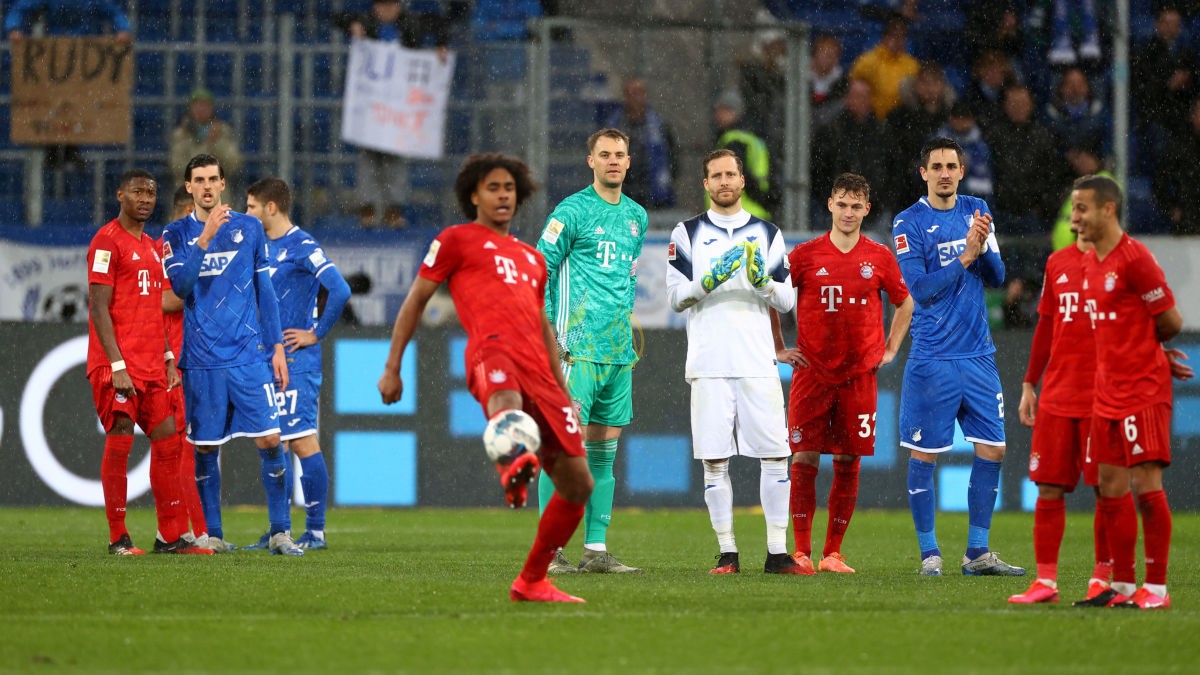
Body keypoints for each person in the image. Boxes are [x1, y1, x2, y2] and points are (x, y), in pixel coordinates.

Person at [377, 153, 595, 603]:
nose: (503, 196)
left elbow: (544, 326)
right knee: (506, 404)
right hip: (492, 349)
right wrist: (392, 367)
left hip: (541, 370)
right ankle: (511, 464)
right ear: (474, 195)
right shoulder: (455, 241)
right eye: (493, 187)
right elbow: (416, 300)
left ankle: (532, 580)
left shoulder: (533, 259)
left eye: (509, 188)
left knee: (579, 484)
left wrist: (563, 389)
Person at [666, 148, 804, 575]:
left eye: (731, 174)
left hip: (757, 360)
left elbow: (787, 299)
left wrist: (763, 283)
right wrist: (708, 281)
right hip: (709, 362)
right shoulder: (686, 232)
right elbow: (674, 298)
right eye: (717, 175)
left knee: (776, 455)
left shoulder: (767, 232)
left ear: (743, 181)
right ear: (706, 183)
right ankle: (728, 553)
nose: (725, 181)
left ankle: (777, 553)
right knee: (715, 460)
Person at [892, 136, 1024, 577]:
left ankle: (977, 553)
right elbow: (921, 290)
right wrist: (966, 254)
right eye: (937, 166)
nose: (945, 173)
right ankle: (930, 554)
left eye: (952, 166)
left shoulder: (976, 210)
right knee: (925, 455)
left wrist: (982, 247)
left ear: (962, 171)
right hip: (933, 357)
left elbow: (998, 277)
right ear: (923, 173)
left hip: (979, 355)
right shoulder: (908, 222)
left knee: (993, 449)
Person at [161, 153, 301, 557]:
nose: (206, 186)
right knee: (205, 448)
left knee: (271, 438)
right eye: (199, 180)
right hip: (202, 359)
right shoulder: (174, 234)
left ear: (223, 184)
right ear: (189, 187)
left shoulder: (250, 228)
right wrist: (204, 239)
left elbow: (264, 290)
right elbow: (181, 287)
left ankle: (280, 532)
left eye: (213, 179)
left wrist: (276, 346)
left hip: (248, 355)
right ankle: (214, 535)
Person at [786, 172, 913, 574]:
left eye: (856, 206)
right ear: (829, 205)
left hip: (858, 376)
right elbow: (772, 297)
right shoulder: (804, 255)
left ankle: (833, 554)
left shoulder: (879, 256)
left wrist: (890, 348)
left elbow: (905, 302)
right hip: (812, 373)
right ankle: (801, 551)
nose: (848, 212)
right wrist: (777, 346)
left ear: (867, 210)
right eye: (842, 204)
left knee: (848, 458)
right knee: (803, 455)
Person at [535, 129, 647, 575]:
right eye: (605, 154)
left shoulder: (637, 216)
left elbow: (629, 277)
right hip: (574, 350)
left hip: (617, 353)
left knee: (604, 453)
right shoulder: (571, 211)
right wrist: (549, 332)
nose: (613, 160)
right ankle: (550, 551)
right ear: (591, 161)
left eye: (620, 154)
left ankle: (595, 550)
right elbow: (539, 269)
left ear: (629, 161)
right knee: (564, 451)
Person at [1073, 174, 1182, 610]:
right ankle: (1120, 585)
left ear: (1108, 209)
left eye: (1082, 208)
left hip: (1142, 390)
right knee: (1110, 486)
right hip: (1106, 393)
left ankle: (1156, 588)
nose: (1075, 218)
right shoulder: (1089, 263)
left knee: (1145, 486)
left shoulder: (1135, 259)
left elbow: (1170, 321)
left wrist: (1150, 352)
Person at [86, 169, 206, 556]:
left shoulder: (154, 248)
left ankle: (170, 536)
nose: (145, 198)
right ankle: (117, 537)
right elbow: (99, 307)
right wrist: (116, 365)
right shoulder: (106, 241)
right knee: (120, 439)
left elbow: (155, 310)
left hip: (153, 365)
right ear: (119, 195)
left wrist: (168, 357)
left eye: (151, 193)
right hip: (118, 365)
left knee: (168, 443)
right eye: (137, 191)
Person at [241, 177, 351, 551]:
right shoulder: (259, 246)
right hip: (267, 358)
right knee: (275, 442)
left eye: (251, 207)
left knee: (301, 439)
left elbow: (340, 289)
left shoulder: (302, 245)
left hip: (297, 360)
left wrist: (315, 334)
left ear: (270, 208)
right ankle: (281, 529)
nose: (246, 213)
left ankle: (315, 531)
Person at [337, 0, 450, 227]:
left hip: (399, 106)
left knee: (395, 157)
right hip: (373, 104)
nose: (387, 10)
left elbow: (441, 24)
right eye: (383, 5)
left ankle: (393, 209)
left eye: (391, 5)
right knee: (368, 156)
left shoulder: (410, 23)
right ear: (375, 7)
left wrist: (440, 44)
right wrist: (353, 26)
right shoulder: (367, 22)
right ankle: (367, 209)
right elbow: (338, 18)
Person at [4, 0, 132, 178]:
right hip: (54, 55)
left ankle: (71, 146)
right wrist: (14, 28)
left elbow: (113, 12)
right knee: (54, 101)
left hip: (81, 57)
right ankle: (54, 146)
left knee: (77, 102)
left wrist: (123, 29)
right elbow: (21, 8)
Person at [160, 185, 210, 548]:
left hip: (199, 357)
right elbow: (167, 298)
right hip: (175, 359)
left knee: (193, 446)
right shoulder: (167, 248)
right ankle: (190, 530)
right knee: (182, 447)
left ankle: (182, 529)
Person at [602, 77, 677, 209]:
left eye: (638, 92)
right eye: (631, 93)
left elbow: (672, 158)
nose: (635, 97)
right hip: (623, 193)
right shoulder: (614, 126)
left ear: (644, 95)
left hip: (654, 195)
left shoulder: (659, 127)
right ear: (625, 96)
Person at [712, 91, 778, 220]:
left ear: (732, 112)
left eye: (721, 110)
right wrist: (767, 201)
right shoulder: (753, 137)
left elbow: (737, 174)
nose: (717, 115)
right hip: (756, 212)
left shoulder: (733, 140)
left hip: (737, 214)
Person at [169, 88, 243, 196]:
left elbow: (233, 164)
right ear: (190, 108)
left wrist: (216, 143)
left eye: (205, 105)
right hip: (188, 196)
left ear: (212, 108)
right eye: (197, 105)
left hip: (217, 196)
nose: (201, 109)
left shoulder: (223, 131)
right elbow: (177, 166)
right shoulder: (180, 134)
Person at [848, 16, 919, 121]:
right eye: (894, 36)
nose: (898, 40)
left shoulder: (912, 65)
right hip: (872, 120)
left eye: (902, 36)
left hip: (903, 120)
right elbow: (853, 90)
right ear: (884, 38)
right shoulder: (867, 61)